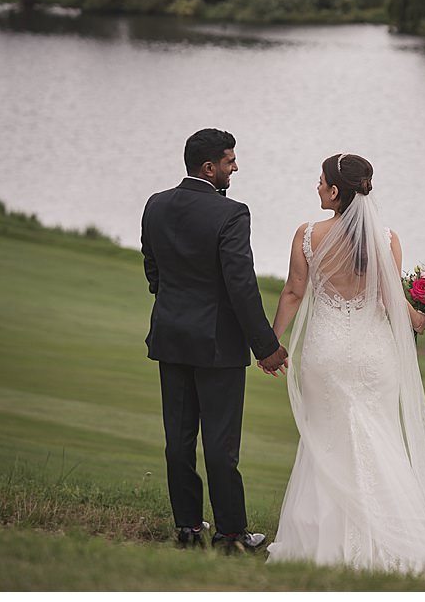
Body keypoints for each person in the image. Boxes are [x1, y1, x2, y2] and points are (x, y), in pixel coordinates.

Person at [263, 153, 425, 583]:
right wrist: (422, 319)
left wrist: (271, 343)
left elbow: (295, 292)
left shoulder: (308, 235)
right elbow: (392, 302)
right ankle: (394, 543)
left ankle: (317, 543)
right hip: (374, 357)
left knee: (325, 442)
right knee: (380, 440)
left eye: (320, 182)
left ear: (335, 191)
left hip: (326, 354)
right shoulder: (386, 238)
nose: (316, 188)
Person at [141, 128, 289, 551]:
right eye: (229, 160)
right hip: (217, 346)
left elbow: (153, 268)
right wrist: (266, 347)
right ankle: (231, 535)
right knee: (221, 446)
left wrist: (174, 304)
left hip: (170, 337)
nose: (235, 167)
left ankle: (187, 529)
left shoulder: (156, 204)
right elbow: (241, 287)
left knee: (178, 440)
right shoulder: (232, 214)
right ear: (210, 167)